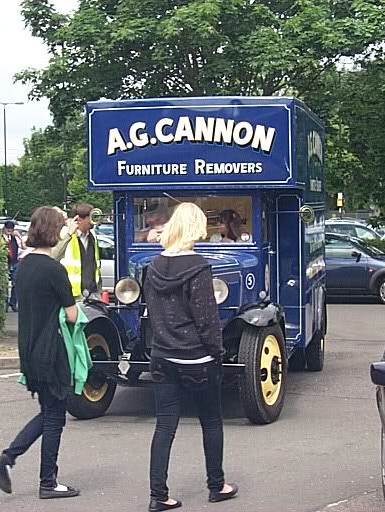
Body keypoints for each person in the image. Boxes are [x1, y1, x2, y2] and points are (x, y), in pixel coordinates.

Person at [142, 202, 238, 512]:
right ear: (194, 228)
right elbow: (207, 319)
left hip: (162, 355)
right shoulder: (199, 267)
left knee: (164, 426)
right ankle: (216, 486)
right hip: (196, 357)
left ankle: (159, 495)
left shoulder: (152, 266)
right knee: (211, 421)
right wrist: (217, 354)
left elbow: (151, 315)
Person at [0, 206, 81, 500]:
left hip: (28, 351)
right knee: (55, 418)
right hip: (52, 351)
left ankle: (8, 458)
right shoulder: (55, 270)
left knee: (49, 412)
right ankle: (47, 482)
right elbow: (71, 315)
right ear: (54, 232)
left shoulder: (25, 266)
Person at [58, 203, 102, 300]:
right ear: (79, 219)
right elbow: (54, 255)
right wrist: (69, 234)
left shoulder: (92, 236)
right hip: (72, 294)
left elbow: (95, 264)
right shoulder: (65, 233)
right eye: (90, 218)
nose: (93, 222)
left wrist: (99, 290)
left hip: (92, 292)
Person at [3, 220, 24, 312]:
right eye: (8, 229)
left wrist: (19, 236)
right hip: (5, 263)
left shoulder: (15, 239)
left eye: (11, 229)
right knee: (4, 285)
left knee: (16, 283)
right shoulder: (0, 238)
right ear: (4, 229)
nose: (9, 231)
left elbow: (24, 247)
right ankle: (5, 304)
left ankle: (13, 303)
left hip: (15, 262)